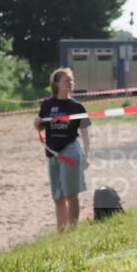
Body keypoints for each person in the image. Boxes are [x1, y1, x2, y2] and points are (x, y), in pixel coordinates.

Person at [33, 68, 92, 232]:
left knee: (71, 194)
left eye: (72, 80)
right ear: (56, 83)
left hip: (70, 151)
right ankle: (61, 231)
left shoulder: (77, 106)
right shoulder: (47, 105)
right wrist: (36, 124)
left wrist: (86, 156)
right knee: (58, 197)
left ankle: (72, 231)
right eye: (67, 80)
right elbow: (41, 127)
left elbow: (85, 133)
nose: (71, 83)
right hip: (52, 152)